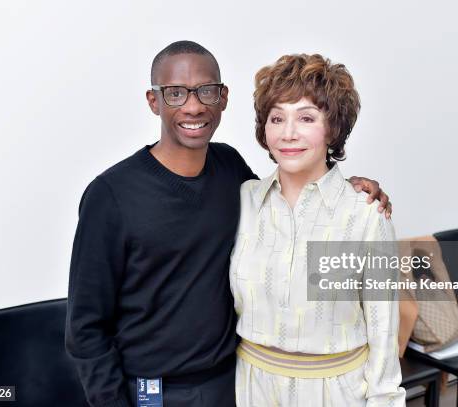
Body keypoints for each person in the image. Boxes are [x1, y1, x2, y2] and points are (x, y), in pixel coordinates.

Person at [65, 41, 393, 407]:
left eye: (205, 91)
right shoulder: (110, 195)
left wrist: (348, 191)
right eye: (175, 93)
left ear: (222, 97)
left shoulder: (233, 174)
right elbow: (85, 328)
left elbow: (294, 200)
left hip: (232, 384)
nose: (193, 105)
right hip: (154, 392)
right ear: (154, 101)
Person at [230, 54, 406, 406]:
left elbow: (383, 331)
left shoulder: (366, 214)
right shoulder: (243, 199)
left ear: (333, 128)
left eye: (307, 117)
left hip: (337, 393)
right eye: (277, 118)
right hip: (251, 389)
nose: (288, 133)